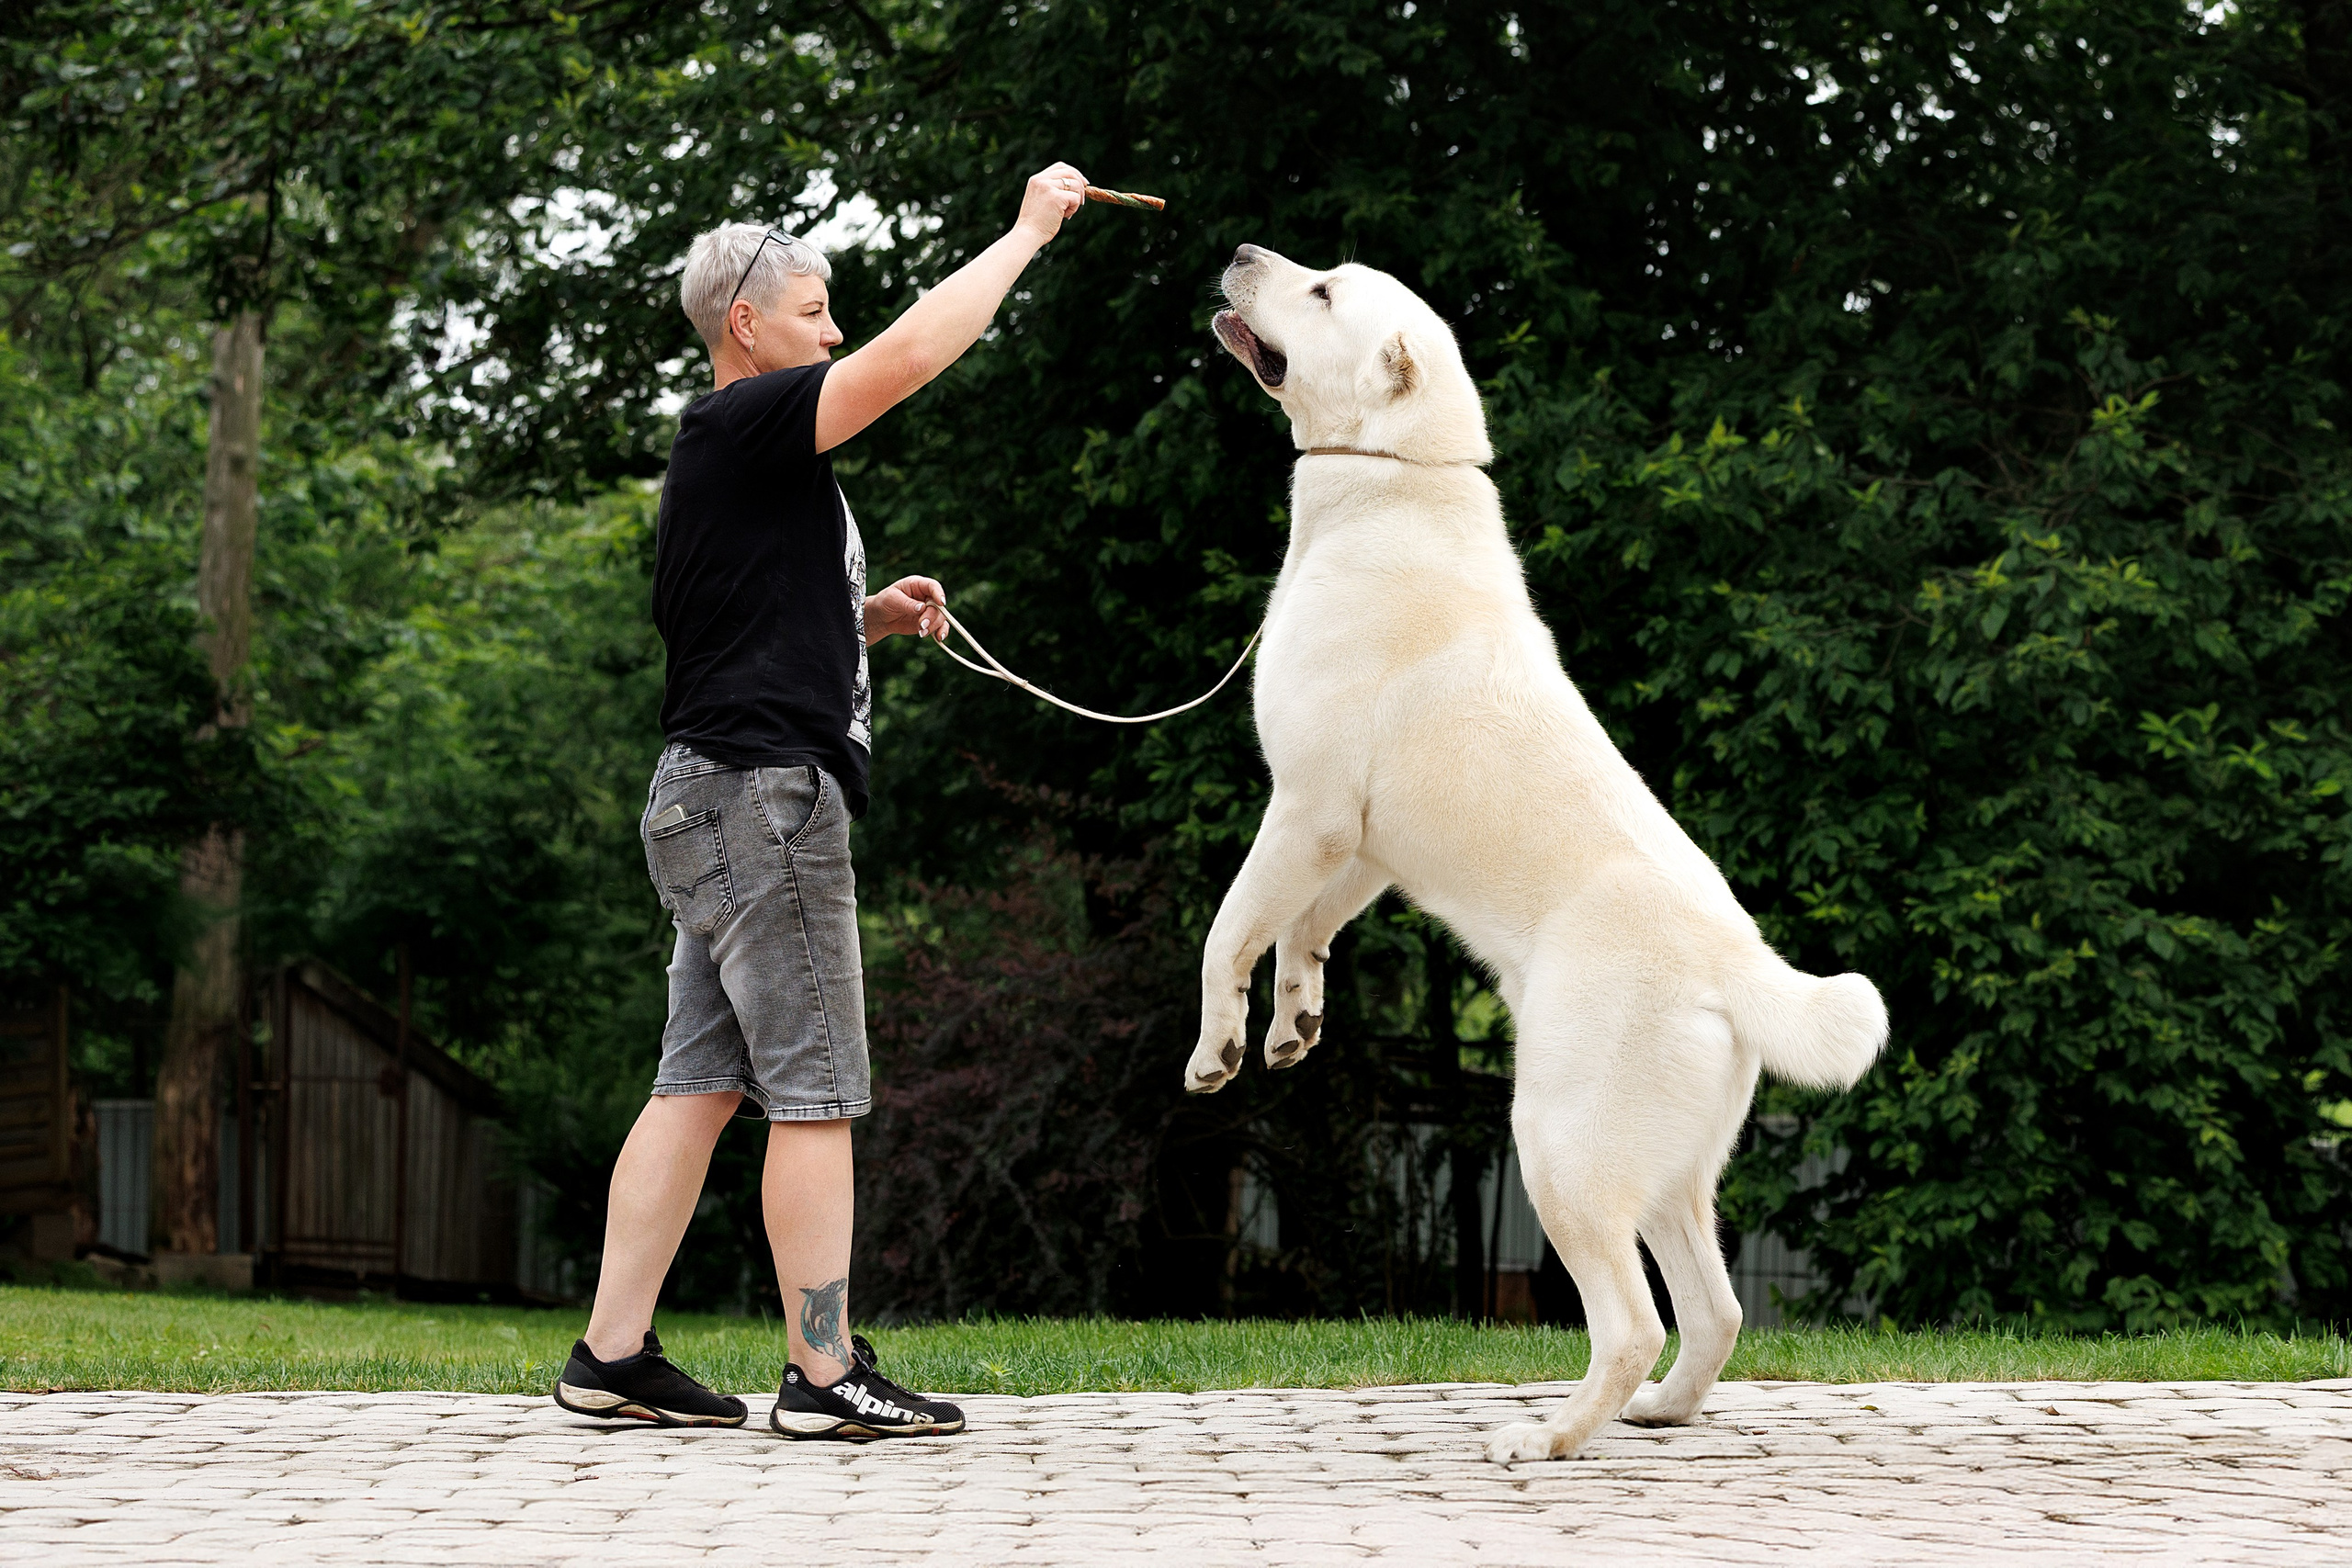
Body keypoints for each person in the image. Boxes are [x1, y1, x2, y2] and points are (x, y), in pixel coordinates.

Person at [552, 161, 1093, 1439]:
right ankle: (822, 1371)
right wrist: (1026, 233)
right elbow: (906, 358)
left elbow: (736, 632)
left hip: (706, 794)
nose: (834, 332)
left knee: (697, 1084)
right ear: (746, 323)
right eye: (814, 312)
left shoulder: (727, 458)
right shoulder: (747, 419)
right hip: (765, 806)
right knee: (817, 1090)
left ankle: (611, 1357)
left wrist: (867, 620)